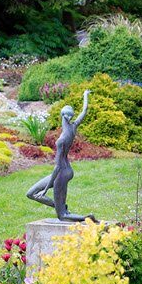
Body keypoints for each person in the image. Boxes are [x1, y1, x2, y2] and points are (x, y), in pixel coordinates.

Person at [26, 90, 94, 222]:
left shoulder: (62, 139)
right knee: (31, 193)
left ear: (62, 116)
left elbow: (56, 167)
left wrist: (45, 190)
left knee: (62, 216)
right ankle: (60, 206)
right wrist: (85, 95)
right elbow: (84, 111)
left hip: (61, 172)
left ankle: (87, 218)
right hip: (66, 169)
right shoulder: (73, 127)